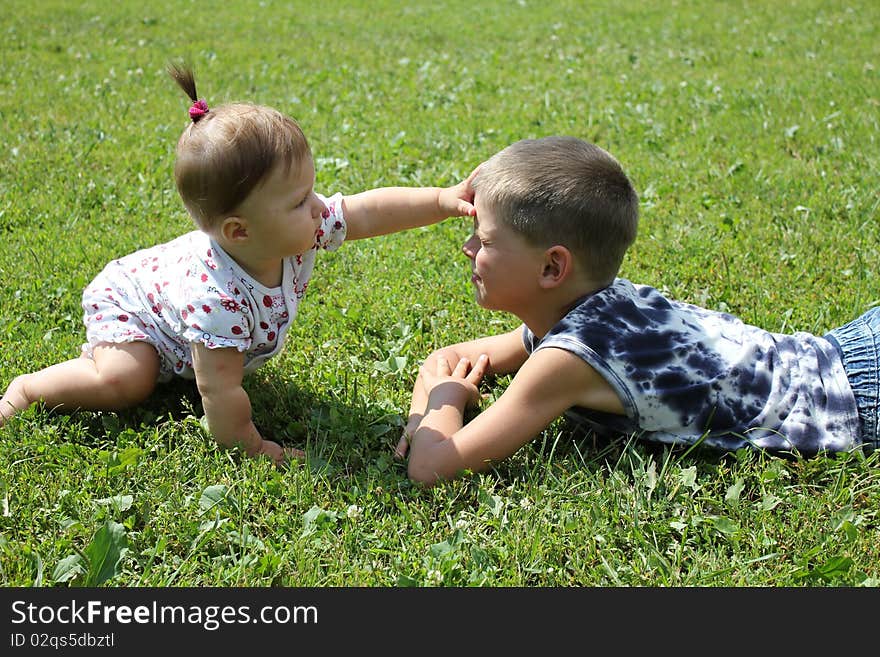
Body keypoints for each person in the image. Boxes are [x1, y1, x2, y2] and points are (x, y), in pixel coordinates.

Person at [0, 64, 477, 466]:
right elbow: (220, 391)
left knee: (198, 363)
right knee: (129, 380)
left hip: (168, 291)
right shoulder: (216, 299)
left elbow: (366, 211)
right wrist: (252, 445)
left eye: (313, 192)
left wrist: (440, 198)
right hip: (135, 306)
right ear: (239, 232)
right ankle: (26, 391)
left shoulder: (300, 227)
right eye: (298, 202)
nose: (318, 207)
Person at [396, 135, 876, 486]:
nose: (466, 249)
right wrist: (425, 414)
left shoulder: (570, 358)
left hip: (856, 400)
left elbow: (432, 467)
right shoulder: (592, 305)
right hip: (847, 351)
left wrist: (448, 399)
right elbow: (446, 357)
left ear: (551, 267)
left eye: (483, 241)